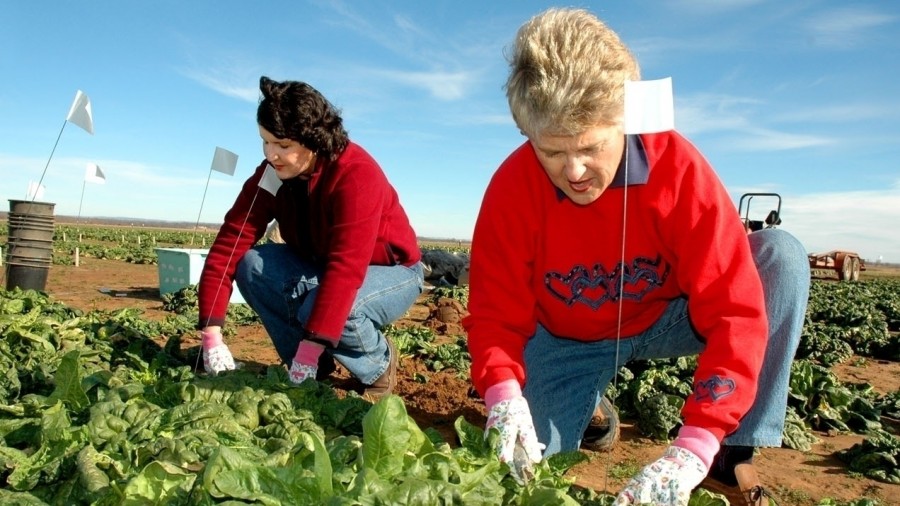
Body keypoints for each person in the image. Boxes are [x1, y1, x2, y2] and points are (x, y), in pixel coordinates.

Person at [462, 8, 810, 506]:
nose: (574, 170)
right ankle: (593, 412)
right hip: (566, 337)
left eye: (589, 147)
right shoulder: (512, 187)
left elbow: (734, 307)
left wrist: (696, 441)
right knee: (520, 478)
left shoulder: (678, 166)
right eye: (552, 152)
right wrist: (501, 395)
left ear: (623, 121)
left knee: (781, 257)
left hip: (672, 316)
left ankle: (727, 454)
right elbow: (494, 312)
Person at [198, 76, 424, 400]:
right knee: (252, 265)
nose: (271, 154)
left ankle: (377, 366)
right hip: (319, 264)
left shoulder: (355, 174)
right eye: (265, 142)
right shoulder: (272, 176)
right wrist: (211, 332)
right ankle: (312, 370)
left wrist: (312, 343)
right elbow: (230, 242)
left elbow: (346, 268)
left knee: (332, 307)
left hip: (393, 271)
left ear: (313, 140)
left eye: (283, 145)